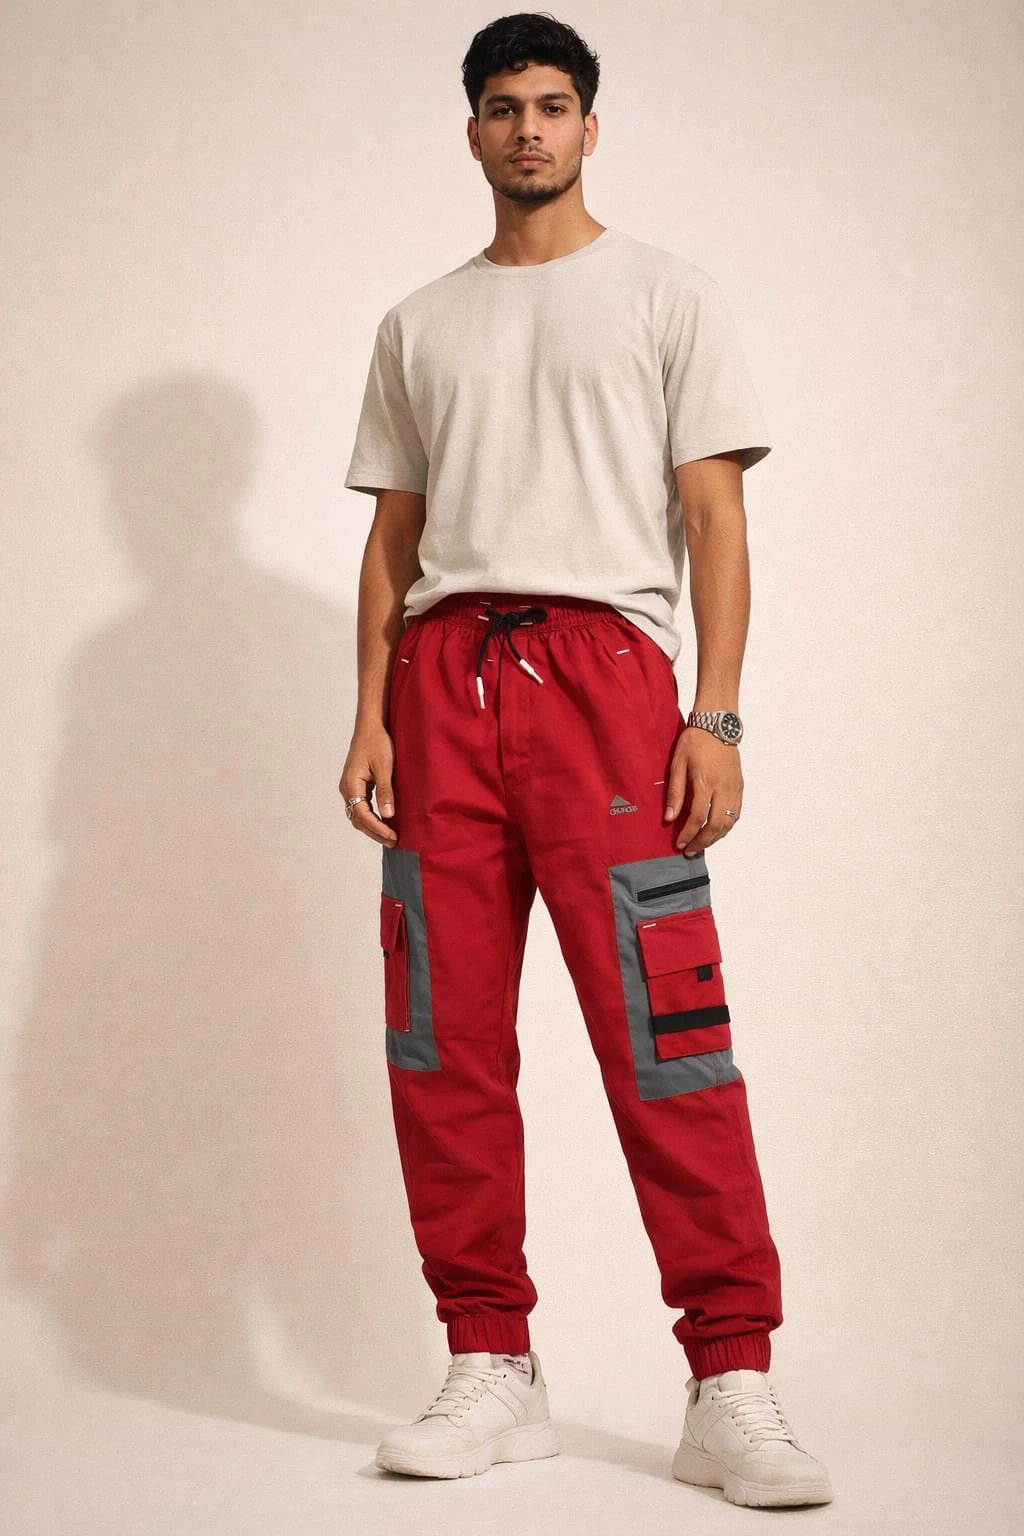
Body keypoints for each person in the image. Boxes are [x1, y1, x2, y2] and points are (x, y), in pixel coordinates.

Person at [339, 11, 834, 1509]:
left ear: (591, 127)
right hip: (442, 682)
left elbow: (717, 518)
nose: (529, 129)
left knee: (668, 1035)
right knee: (442, 1039)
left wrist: (716, 715)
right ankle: (491, 1360)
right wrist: (368, 714)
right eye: (504, 107)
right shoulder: (420, 322)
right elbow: (393, 540)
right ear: (473, 131)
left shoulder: (669, 295)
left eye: (554, 105)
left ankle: (730, 1378)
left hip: (609, 689)